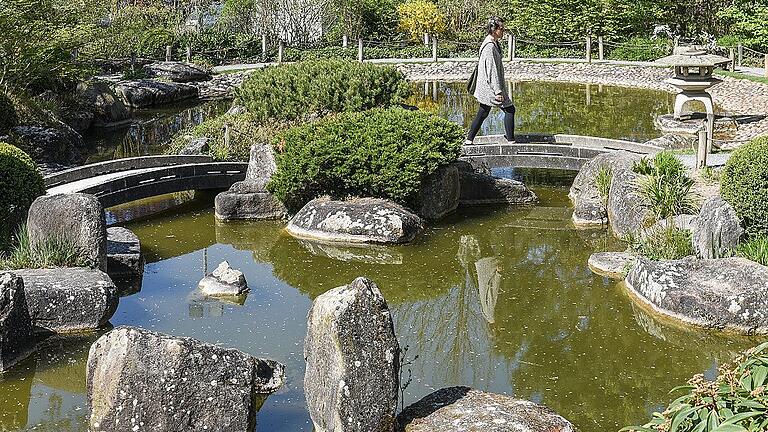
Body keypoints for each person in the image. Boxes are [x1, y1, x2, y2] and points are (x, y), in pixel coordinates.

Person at [466, 16, 515, 145]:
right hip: (490, 86)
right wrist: (498, 91)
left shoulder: (493, 43)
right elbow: (491, 70)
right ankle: (511, 141)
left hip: (486, 86)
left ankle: (469, 139)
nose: (503, 31)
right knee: (510, 110)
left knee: (483, 111)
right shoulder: (489, 46)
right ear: (494, 29)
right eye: (501, 28)